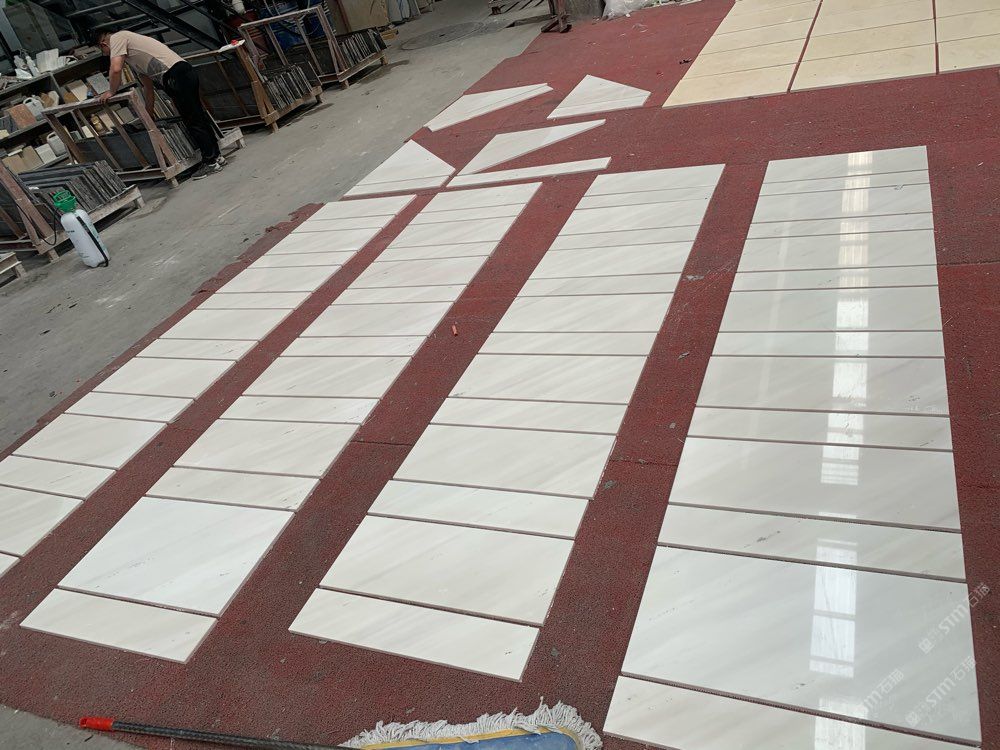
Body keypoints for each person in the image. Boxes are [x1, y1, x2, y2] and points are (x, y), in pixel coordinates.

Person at [96, 30, 225, 179]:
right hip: (183, 73)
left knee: (193, 120)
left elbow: (116, 69)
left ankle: (210, 162)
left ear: (104, 44)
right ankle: (216, 157)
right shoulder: (135, 57)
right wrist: (148, 114)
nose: (108, 55)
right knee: (197, 116)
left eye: (104, 52)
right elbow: (148, 88)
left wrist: (111, 91)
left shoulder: (118, 37)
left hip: (176, 75)